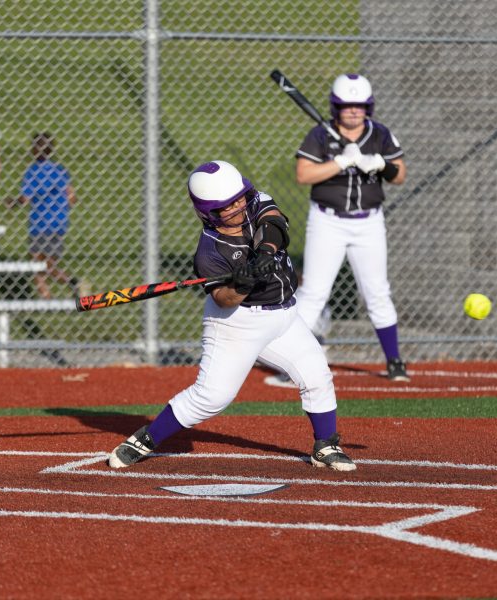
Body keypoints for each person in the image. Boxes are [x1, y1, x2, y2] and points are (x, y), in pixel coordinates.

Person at [108, 160, 356, 472]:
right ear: (209, 212)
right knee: (211, 397)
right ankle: (145, 438)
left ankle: (326, 445)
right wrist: (244, 281)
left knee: (317, 375)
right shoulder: (210, 251)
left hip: (285, 316)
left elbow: (275, 222)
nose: (238, 205)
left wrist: (264, 253)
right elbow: (224, 300)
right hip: (237, 324)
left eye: (240, 197)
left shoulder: (254, 202)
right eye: (228, 205)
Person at [273, 73, 409, 385]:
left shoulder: (380, 134)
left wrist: (377, 164)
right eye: (347, 105)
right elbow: (303, 174)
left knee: (377, 292)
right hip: (327, 222)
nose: (353, 111)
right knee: (313, 293)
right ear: (336, 107)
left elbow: (399, 174)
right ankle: (292, 363)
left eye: (359, 105)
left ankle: (395, 361)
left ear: (368, 107)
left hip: (369, 222)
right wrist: (341, 163)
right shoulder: (320, 136)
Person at [15, 132, 82, 299]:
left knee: (39, 265)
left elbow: (25, 199)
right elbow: (72, 197)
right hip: (59, 223)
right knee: (46, 264)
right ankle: (49, 298)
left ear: (33, 151)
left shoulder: (33, 172)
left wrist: (12, 202)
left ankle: (68, 282)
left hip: (40, 224)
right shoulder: (59, 170)